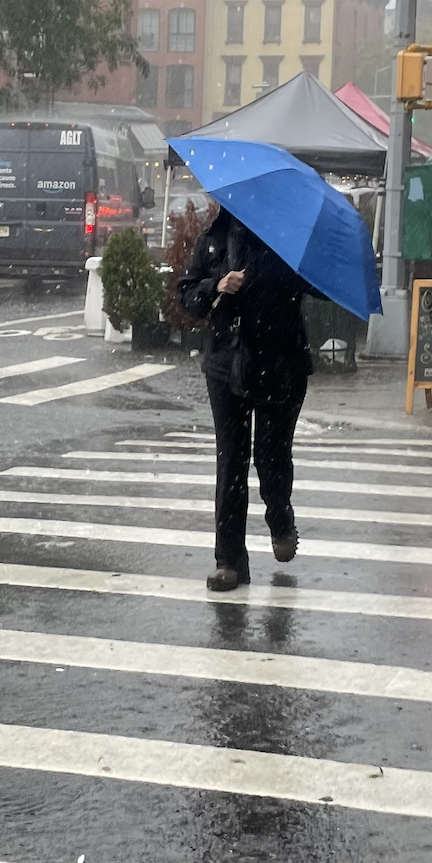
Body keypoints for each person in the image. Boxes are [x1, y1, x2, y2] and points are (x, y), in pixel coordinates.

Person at [178, 207, 312, 592]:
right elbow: (187, 294)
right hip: (225, 362)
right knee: (231, 459)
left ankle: (280, 518)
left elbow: (312, 288)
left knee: (271, 455)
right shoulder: (214, 238)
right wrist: (216, 286)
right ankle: (229, 560)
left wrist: (264, 271)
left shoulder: (288, 238)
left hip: (279, 360)